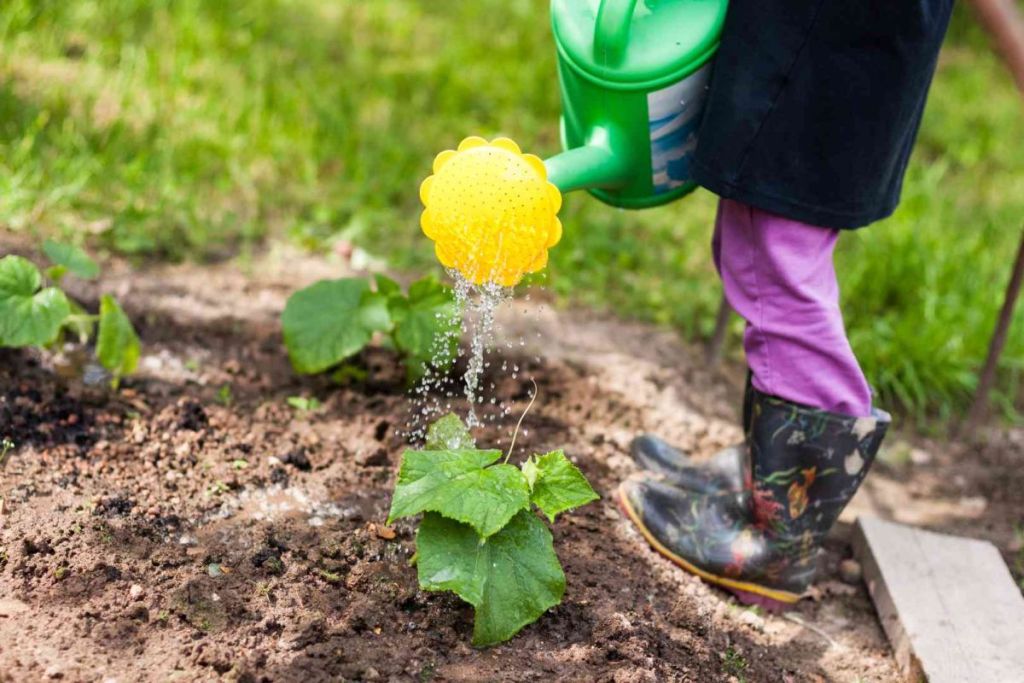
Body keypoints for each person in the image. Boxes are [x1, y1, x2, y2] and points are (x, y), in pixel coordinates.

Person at [617, 0, 955, 609]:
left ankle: (780, 538)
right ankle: (767, 480)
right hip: (837, 32)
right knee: (754, 232)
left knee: (776, 257)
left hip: (829, 32)